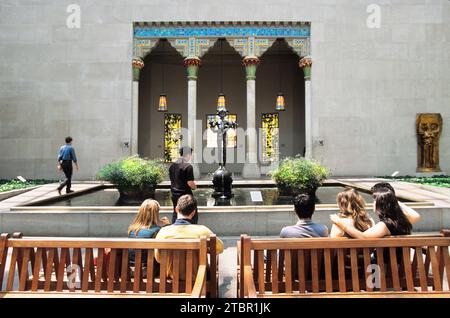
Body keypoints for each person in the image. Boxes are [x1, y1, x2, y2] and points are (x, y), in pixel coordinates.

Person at [155, 194, 224, 279]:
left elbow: (158, 258)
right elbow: (219, 249)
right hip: (199, 279)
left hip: (172, 278)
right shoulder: (203, 231)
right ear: (193, 212)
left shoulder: (164, 232)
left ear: (176, 209)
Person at [330, 186, 421, 238]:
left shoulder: (384, 225)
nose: (373, 203)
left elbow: (363, 238)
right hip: (400, 265)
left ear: (381, 205)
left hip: (383, 267)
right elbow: (416, 216)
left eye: (375, 201)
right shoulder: (400, 222)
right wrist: (394, 201)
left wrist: (340, 223)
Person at [127, 199, 170, 266]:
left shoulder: (132, 230)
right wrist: (167, 226)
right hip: (148, 271)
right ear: (156, 214)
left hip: (131, 269)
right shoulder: (157, 231)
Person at [169, 146, 197, 224]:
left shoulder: (172, 165)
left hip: (174, 195)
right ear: (188, 154)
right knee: (192, 214)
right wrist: (195, 187)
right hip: (185, 196)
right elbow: (190, 183)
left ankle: (175, 230)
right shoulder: (188, 166)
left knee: (176, 213)